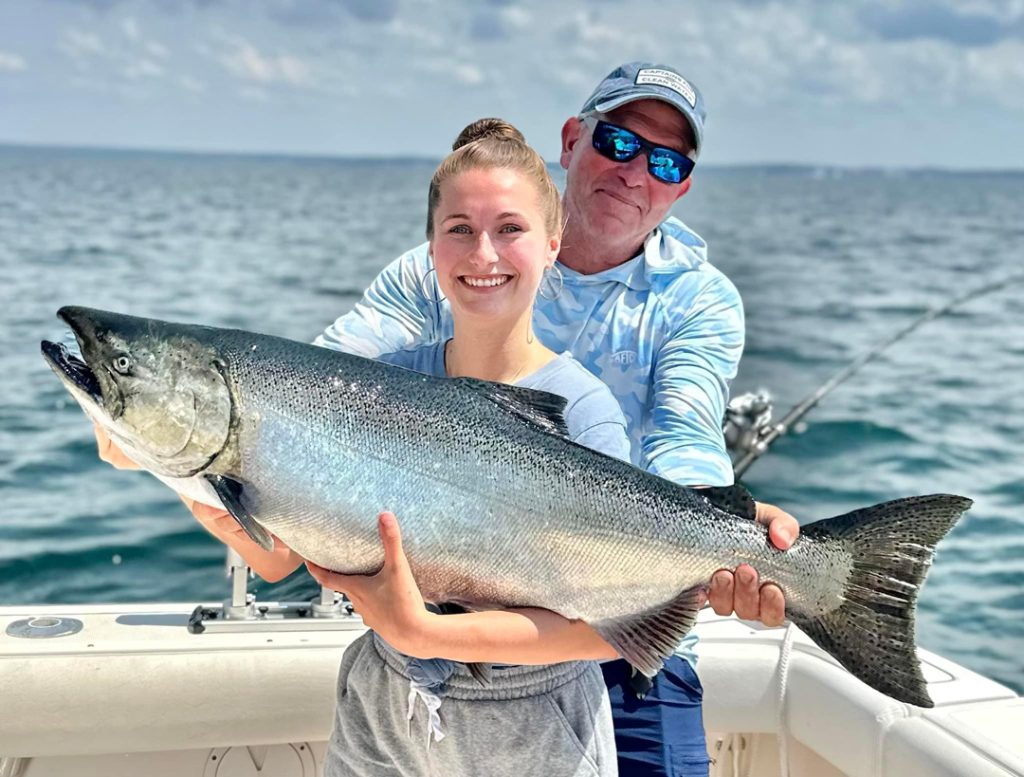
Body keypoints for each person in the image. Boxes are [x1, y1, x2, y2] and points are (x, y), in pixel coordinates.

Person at [99, 118, 632, 776]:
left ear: (554, 243)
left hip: (537, 732)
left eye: (510, 229)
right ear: (431, 247)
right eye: (459, 228)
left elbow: (609, 629)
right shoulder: (378, 384)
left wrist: (428, 631)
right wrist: (186, 478)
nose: (483, 253)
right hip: (384, 712)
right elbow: (275, 559)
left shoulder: (585, 408)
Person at [310, 62, 800, 776]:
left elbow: (683, 436)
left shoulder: (699, 299)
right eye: (619, 143)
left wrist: (727, 531)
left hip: (630, 626)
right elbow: (322, 381)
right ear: (572, 140)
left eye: (665, 161)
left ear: (683, 185)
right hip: (475, 625)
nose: (636, 173)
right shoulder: (455, 261)